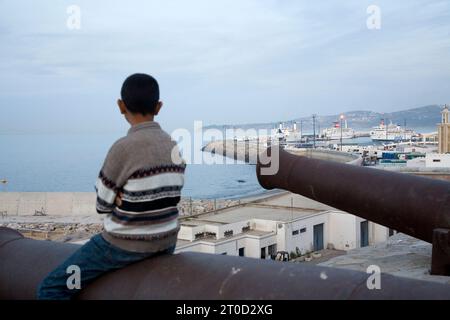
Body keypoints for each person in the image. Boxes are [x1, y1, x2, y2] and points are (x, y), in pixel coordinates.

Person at [37, 73, 185, 299]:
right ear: (158, 106)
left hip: (121, 247)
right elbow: (171, 194)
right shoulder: (173, 146)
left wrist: (120, 199)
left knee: (53, 287)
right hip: (166, 242)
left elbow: (102, 205)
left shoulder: (122, 148)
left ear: (120, 106)